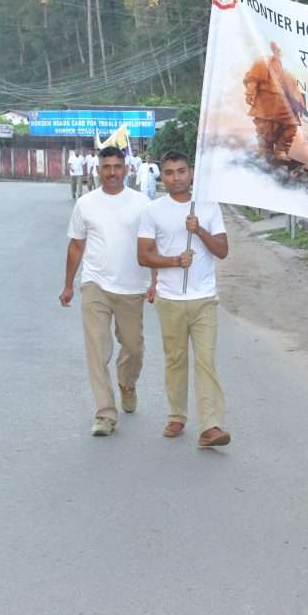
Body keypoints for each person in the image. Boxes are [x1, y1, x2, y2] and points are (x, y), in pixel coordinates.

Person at [137, 151, 231, 448]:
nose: (176, 177)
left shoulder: (208, 206)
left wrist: (198, 229)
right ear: (161, 176)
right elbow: (144, 255)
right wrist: (176, 262)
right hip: (170, 298)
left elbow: (222, 250)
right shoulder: (153, 211)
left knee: (206, 362)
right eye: (169, 172)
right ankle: (177, 415)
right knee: (175, 359)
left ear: (191, 173)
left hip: (204, 298)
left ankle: (210, 426)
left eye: (180, 171)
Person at [59, 146, 154, 437]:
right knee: (96, 350)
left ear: (127, 169)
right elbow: (76, 245)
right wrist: (68, 285)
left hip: (131, 287)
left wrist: (155, 280)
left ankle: (127, 383)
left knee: (133, 348)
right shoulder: (86, 204)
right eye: (106, 167)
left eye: (117, 166)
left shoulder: (142, 203)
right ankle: (104, 413)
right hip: (95, 284)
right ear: (97, 170)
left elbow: (152, 244)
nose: (112, 172)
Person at [243, 41, 304, 163]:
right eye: (279, 49)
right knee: (265, 129)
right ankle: (265, 150)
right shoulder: (263, 63)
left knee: (291, 127)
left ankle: (281, 150)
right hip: (267, 103)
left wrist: (299, 104)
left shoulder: (288, 70)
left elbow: (294, 90)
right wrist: (250, 93)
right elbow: (253, 79)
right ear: (274, 50)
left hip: (285, 106)